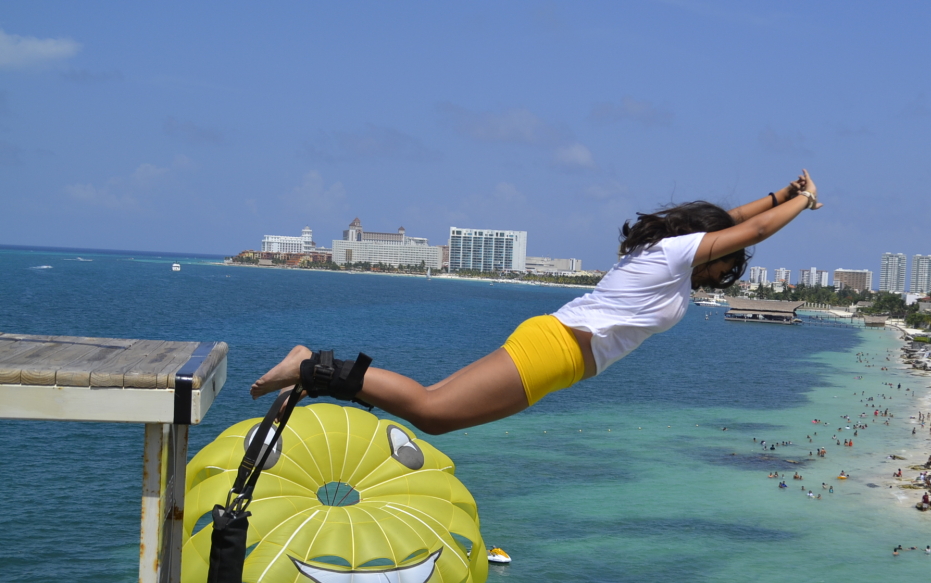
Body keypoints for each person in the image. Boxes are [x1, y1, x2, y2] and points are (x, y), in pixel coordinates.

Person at [251, 173, 822, 432]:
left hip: (557, 351)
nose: (725, 272)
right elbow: (749, 232)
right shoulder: (674, 255)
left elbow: (735, 222)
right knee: (431, 411)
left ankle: (313, 378)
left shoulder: (668, 254)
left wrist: (782, 193)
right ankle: (310, 367)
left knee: (437, 412)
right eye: (724, 264)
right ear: (706, 249)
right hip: (556, 351)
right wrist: (804, 203)